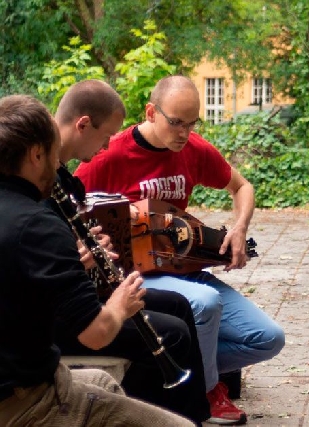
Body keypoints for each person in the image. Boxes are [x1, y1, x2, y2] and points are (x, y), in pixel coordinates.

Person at [74, 75, 286, 424]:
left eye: (191, 124)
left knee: (267, 339)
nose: (184, 133)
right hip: (136, 278)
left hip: (183, 271)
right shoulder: (109, 154)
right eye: (176, 122)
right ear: (151, 112)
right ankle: (206, 390)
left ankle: (184, 371)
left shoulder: (193, 149)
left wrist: (239, 227)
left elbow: (242, 186)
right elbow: (68, 203)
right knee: (205, 303)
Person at [0, 93, 195, 426]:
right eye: (53, 155)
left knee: (104, 383)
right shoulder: (38, 225)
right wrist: (121, 303)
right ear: (36, 154)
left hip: (25, 375)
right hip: (28, 400)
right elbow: (96, 334)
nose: (58, 166)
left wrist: (75, 265)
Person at [49, 79, 221, 425]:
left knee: (179, 304)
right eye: (106, 136)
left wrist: (86, 247)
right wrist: (75, 257)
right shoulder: (36, 184)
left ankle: (195, 413)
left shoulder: (56, 176)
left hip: (69, 292)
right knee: (172, 332)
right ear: (83, 124)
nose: (108, 145)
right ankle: (165, 415)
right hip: (55, 312)